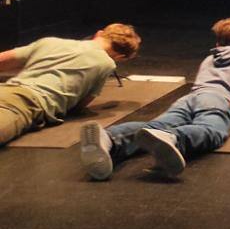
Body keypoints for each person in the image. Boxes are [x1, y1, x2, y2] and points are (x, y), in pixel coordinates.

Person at [78, 18, 230, 180]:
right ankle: (175, 138)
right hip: (218, 101)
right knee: (212, 131)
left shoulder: (209, 59)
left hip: (189, 99)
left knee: (154, 127)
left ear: (218, 43)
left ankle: (110, 137)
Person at [0, 24, 141, 146]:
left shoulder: (49, 42)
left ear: (99, 33)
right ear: (120, 57)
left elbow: (2, 60)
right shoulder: (106, 63)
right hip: (25, 103)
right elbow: (80, 105)